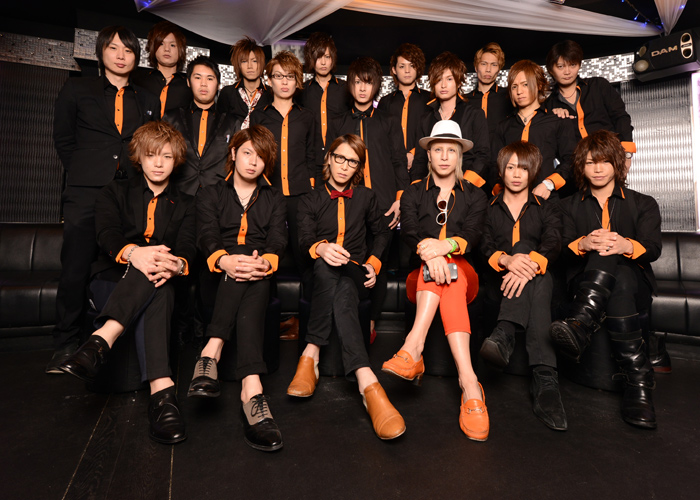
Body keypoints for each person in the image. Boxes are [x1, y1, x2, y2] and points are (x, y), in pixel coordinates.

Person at [60, 120, 195, 444]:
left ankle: (100, 341)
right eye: (151, 155)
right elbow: (106, 233)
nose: (159, 163)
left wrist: (176, 265)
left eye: (166, 156)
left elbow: (189, 246)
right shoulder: (115, 191)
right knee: (153, 276)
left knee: (159, 281)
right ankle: (163, 396)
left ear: (176, 160)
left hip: (163, 276)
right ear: (139, 157)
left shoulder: (188, 203)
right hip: (112, 277)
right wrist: (135, 253)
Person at [48, 25, 160, 374]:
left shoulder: (147, 99)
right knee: (75, 267)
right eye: (113, 48)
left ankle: (112, 343)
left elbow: (149, 146)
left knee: (124, 263)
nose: (121, 55)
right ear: (101, 52)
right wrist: (85, 172)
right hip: (85, 191)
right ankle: (66, 342)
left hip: (129, 194)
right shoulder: (77, 88)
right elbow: (64, 139)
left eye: (128, 50)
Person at [287, 134, 405, 440]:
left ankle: (309, 355)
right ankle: (368, 384)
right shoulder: (310, 199)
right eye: (339, 158)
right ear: (329, 158)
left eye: (352, 161)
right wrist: (322, 248)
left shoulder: (367, 197)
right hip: (320, 274)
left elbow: (383, 233)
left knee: (343, 280)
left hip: (356, 272)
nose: (344, 166)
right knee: (331, 275)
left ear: (358, 168)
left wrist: (373, 264)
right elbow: (304, 239)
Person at [381, 120, 489, 441]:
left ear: (459, 156)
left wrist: (445, 247)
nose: (444, 157)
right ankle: (470, 384)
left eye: (450, 151)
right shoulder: (413, 192)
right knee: (440, 275)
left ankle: (412, 349)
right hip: (421, 275)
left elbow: (473, 234)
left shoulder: (475, 195)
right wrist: (432, 254)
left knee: (451, 272)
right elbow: (410, 232)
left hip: (467, 275)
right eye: (437, 150)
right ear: (428, 155)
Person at [549, 129, 661, 430]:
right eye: (589, 162)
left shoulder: (644, 203)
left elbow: (653, 248)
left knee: (618, 263)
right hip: (581, 284)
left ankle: (580, 324)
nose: (597, 169)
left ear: (617, 163)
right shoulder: (566, 206)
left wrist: (626, 245)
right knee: (605, 255)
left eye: (604, 161)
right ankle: (639, 383)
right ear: (581, 167)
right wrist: (583, 244)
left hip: (635, 287)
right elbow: (557, 252)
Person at [189, 125, 287, 451]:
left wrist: (265, 263)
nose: (253, 162)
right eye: (247, 153)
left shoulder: (274, 197)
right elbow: (206, 235)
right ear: (233, 153)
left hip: (258, 274)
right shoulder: (209, 193)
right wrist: (224, 260)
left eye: (260, 156)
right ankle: (252, 392)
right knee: (242, 260)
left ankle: (211, 352)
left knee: (253, 267)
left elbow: (277, 238)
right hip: (216, 278)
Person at [480, 141, 566, 431]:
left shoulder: (548, 206)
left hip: (541, 284)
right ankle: (546, 379)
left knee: (530, 259)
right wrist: (507, 260)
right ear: (501, 170)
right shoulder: (487, 208)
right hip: (498, 284)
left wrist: (527, 264)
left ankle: (504, 332)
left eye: (524, 168)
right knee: (527, 260)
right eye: (511, 167)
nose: (517, 174)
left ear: (534, 172)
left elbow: (553, 241)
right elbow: (483, 244)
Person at [326, 56, 409, 339]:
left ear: (376, 86)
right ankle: (349, 322)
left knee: (378, 263)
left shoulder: (388, 121)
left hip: (384, 203)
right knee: (352, 261)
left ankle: (371, 323)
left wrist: (400, 198)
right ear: (350, 85)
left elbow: (399, 161)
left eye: (369, 83)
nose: (363, 89)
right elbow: (328, 164)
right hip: (349, 204)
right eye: (358, 82)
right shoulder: (338, 122)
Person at [250, 50, 315, 297]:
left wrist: (313, 190)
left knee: (304, 255)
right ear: (269, 81)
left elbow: (312, 156)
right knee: (268, 253)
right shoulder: (259, 116)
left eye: (290, 76)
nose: (284, 82)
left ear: (298, 81)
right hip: (268, 193)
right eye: (278, 76)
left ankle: (308, 313)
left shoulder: (307, 117)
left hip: (301, 195)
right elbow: (254, 155)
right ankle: (269, 309)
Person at [491, 60, 577, 199]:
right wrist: (500, 191)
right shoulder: (503, 127)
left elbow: (571, 161)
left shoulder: (557, 121)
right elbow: (494, 166)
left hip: (547, 201)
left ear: (539, 85)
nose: (519, 91)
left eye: (525, 84)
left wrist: (549, 184)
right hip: (510, 203)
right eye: (514, 87)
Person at [163, 55, 242, 196]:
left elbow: (237, 164)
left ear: (218, 84)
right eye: (198, 77)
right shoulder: (171, 118)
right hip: (179, 194)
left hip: (219, 195)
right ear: (188, 82)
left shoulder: (232, 122)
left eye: (210, 79)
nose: (203, 84)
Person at [544, 40, 636, 160]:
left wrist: (627, 154)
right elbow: (552, 146)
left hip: (610, 159)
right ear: (551, 69)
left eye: (572, 65)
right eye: (560, 67)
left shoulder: (598, 86)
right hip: (576, 166)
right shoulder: (549, 106)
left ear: (579, 65)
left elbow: (621, 117)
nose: (567, 72)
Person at [411, 52, 490, 188]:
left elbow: (483, 155)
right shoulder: (425, 119)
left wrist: (466, 185)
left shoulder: (474, 114)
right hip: (432, 190)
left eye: (449, 79)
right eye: (438, 79)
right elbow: (419, 160)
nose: (443, 85)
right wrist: (417, 190)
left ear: (458, 82)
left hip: (467, 187)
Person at [300, 32, 351, 182]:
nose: (323, 62)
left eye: (327, 57)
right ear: (311, 59)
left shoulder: (345, 89)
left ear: (333, 59)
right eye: (318, 57)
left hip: (341, 160)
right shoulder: (302, 91)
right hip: (311, 161)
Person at [377, 43, 431, 172]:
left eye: (412, 65)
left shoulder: (429, 99)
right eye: (402, 66)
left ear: (418, 68)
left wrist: (413, 153)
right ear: (394, 70)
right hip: (392, 167)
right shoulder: (385, 102)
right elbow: (381, 136)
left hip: (423, 166)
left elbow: (432, 132)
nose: (407, 70)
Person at [133, 20, 192, 117]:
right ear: (153, 47)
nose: (167, 49)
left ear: (181, 49)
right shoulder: (137, 80)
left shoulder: (188, 86)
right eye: (161, 44)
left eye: (172, 45)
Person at [218, 36, 272, 128]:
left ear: (262, 63)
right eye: (244, 61)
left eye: (254, 61)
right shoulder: (228, 93)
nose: (250, 66)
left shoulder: (271, 94)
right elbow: (220, 127)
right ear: (238, 65)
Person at [466, 42, 513, 138]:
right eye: (484, 64)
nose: (488, 69)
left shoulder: (508, 96)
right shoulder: (465, 100)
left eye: (494, 65)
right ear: (476, 67)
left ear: (499, 69)